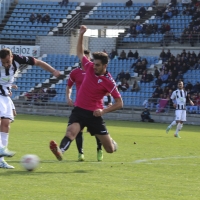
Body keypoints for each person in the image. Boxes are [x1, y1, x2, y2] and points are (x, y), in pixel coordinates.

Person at [49, 25, 123, 161]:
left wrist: (103, 111)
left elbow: (119, 103)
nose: (94, 66)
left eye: (98, 65)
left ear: (105, 66)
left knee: (109, 150)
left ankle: (112, 142)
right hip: (79, 110)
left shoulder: (109, 81)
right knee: (71, 132)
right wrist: (82, 34)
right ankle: (60, 151)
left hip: (94, 114)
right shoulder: (89, 67)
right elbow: (79, 53)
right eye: (94, 64)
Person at [0, 48, 60, 169]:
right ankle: (1, 148)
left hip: (5, 94)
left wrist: (53, 70)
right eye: (3, 62)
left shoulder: (18, 59)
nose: (5, 64)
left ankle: (1, 159)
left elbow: (38, 62)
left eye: (7, 61)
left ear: (12, 57)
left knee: (6, 123)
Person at [66, 50, 104, 162]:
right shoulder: (75, 73)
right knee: (79, 130)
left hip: (94, 106)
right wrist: (68, 97)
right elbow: (69, 86)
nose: (86, 59)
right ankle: (80, 153)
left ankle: (99, 149)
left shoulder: (95, 72)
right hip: (80, 105)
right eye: (84, 57)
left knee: (97, 131)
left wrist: (109, 100)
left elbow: (105, 85)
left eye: (88, 57)